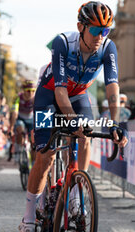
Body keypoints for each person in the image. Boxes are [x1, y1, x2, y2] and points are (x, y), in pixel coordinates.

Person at [19, 2, 128, 231]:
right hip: (49, 95)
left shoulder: (108, 48)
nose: (101, 36)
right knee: (45, 155)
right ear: (81, 26)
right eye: (96, 30)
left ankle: (77, 192)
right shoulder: (63, 43)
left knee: (85, 135)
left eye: (105, 30)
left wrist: (115, 122)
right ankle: (28, 217)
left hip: (78, 95)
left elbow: (112, 87)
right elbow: (59, 91)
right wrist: (71, 120)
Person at [8, 79, 36, 161]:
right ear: (23, 90)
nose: (31, 93)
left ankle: (33, 163)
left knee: (33, 142)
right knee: (20, 128)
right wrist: (12, 127)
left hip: (31, 119)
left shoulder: (35, 98)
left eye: (33, 91)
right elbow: (14, 113)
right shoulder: (18, 97)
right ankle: (19, 148)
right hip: (20, 118)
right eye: (28, 91)